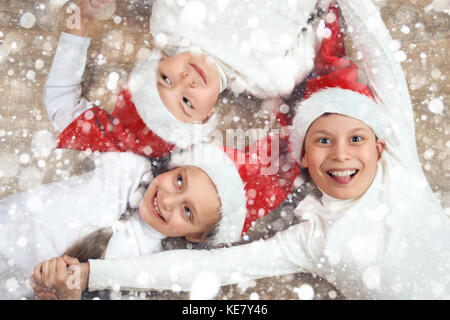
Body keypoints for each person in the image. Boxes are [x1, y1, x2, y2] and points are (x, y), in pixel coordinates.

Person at [36, 0, 449, 300]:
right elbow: (202, 269)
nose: (340, 154)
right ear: (303, 158)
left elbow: (381, 58)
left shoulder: (400, 159)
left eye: (356, 140)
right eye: (323, 141)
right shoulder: (310, 240)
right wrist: (94, 275)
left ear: (379, 146)